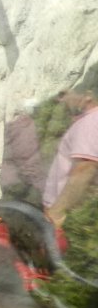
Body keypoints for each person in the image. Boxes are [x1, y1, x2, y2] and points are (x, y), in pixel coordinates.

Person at [43, 70, 98, 231]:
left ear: (87, 95)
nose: (60, 99)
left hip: (68, 220)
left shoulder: (91, 122)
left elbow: (86, 169)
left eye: (64, 93)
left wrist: (56, 213)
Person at [1, 98, 46, 206]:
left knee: (8, 211)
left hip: (10, 179)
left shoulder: (11, 126)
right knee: (31, 212)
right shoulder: (39, 127)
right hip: (31, 181)